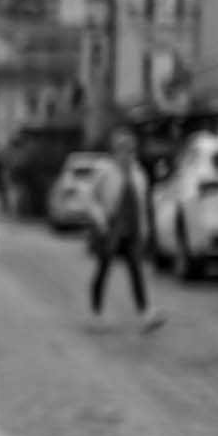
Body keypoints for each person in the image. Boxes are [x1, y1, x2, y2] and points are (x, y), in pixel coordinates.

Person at [87, 128, 164, 331]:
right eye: (123, 149)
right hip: (110, 230)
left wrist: (145, 230)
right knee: (103, 270)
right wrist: (100, 219)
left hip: (131, 231)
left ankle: (145, 313)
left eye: (131, 150)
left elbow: (142, 205)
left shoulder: (138, 174)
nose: (128, 154)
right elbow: (92, 198)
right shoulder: (105, 170)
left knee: (136, 271)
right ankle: (96, 312)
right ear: (115, 151)